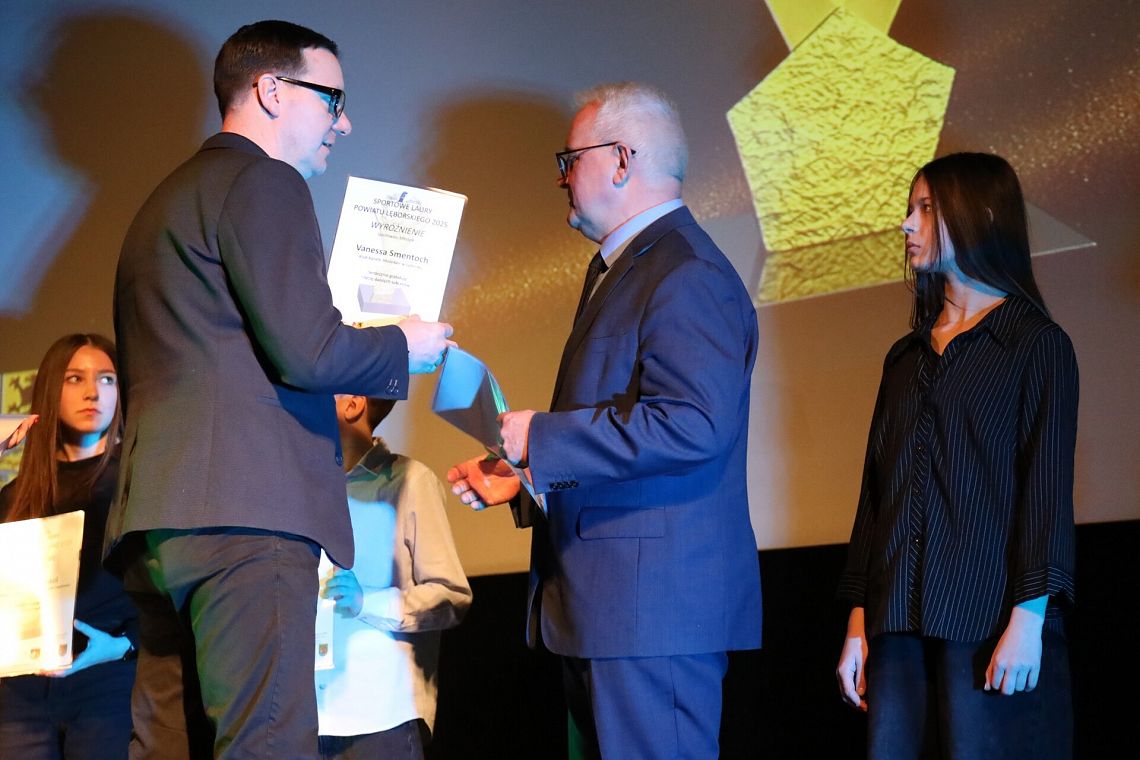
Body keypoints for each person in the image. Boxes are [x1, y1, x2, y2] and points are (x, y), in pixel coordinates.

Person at [107, 20, 454, 759]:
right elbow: (310, 351)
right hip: (246, 520)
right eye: (333, 99)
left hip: (159, 529)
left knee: (170, 746)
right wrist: (405, 345)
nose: (344, 122)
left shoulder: (160, 203)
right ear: (270, 90)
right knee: (266, 743)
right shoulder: (265, 180)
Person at [447, 82, 762, 759]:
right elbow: (630, 440)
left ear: (621, 160)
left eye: (570, 159)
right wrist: (526, 474)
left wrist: (540, 438)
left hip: (651, 616)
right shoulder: (630, 269)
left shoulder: (686, 272)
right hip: (613, 614)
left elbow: (692, 425)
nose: (560, 177)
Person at [835, 152, 1077, 759]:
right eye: (910, 208)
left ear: (982, 214)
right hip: (897, 626)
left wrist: (1028, 621)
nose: (907, 224)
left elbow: (1045, 491)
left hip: (988, 623)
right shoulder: (904, 358)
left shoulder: (1034, 344)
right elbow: (875, 501)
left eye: (926, 208)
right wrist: (859, 625)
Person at [0, 334, 137, 759]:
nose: (93, 392)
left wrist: (124, 644)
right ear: (49, 389)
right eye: (75, 378)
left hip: (108, 682)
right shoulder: (14, 497)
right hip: (19, 692)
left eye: (107, 379)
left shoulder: (136, 482)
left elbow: (169, 587)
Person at [316, 396, 471, 760]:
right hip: (310, 716)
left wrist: (366, 601)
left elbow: (451, 596)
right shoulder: (306, 487)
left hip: (380, 715)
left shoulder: (410, 481)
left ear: (353, 405)